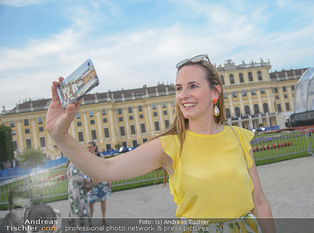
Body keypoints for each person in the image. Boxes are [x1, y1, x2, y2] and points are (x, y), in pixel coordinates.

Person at [47, 54, 276, 232]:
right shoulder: (170, 145)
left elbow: (260, 202)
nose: (183, 94)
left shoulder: (239, 137)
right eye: (178, 88)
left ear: (214, 92)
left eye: (192, 86)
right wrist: (60, 136)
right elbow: (104, 169)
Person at [85, 141, 111, 224]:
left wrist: (109, 179)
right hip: (91, 181)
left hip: (101, 181)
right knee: (90, 203)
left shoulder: (100, 156)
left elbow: (105, 168)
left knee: (103, 200)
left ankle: (103, 219)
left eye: (90, 147)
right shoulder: (86, 157)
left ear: (95, 147)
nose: (88, 149)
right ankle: (90, 221)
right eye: (87, 147)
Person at [66, 160, 91, 230]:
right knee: (80, 210)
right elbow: (75, 176)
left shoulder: (72, 163)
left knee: (77, 210)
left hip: (75, 191)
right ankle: (83, 228)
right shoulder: (74, 164)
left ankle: (81, 228)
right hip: (77, 192)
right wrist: (85, 179)